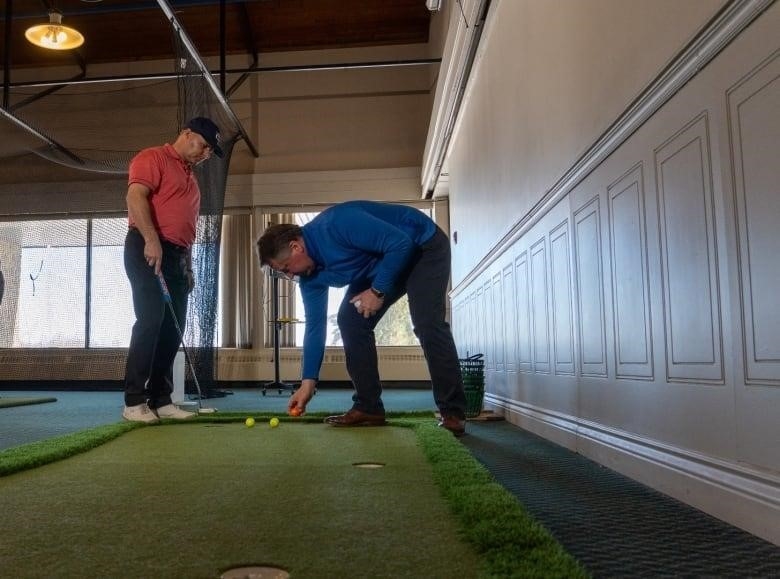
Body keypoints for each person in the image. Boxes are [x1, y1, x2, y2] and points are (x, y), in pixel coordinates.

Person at [256, 200, 468, 436]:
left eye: (285, 267)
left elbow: (400, 244)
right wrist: (308, 383)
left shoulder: (338, 223)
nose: (288, 275)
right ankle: (369, 407)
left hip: (421, 246)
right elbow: (314, 328)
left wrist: (377, 291)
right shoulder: (310, 278)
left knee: (427, 322)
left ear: (296, 247)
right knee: (350, 320)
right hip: (378, 263)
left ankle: (453, 412)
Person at [122, 117, 223, 423]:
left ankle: (161, 399)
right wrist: (151, 240)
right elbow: (135, 196)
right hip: (147, 247)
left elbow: (186, 228)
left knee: (173, 328)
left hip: (177, 257)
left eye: (209, 151)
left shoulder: (191, 179)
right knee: (151, 320)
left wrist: (189, 266)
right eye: (203, 145)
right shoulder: (153, 157)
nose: (205, 154)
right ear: (186, 134)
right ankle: (134, 402)